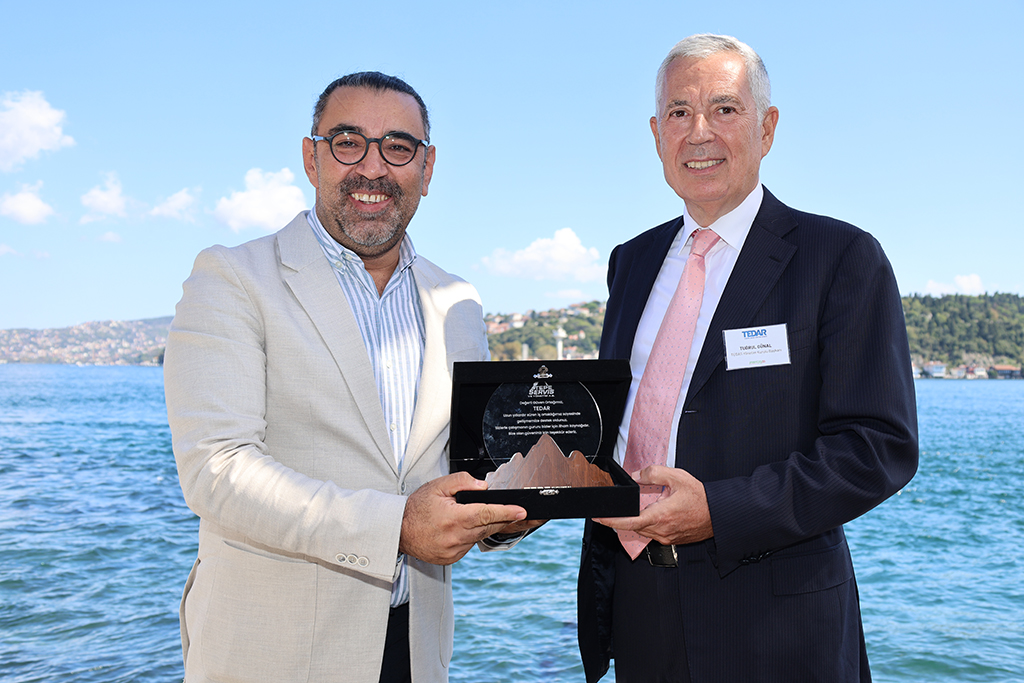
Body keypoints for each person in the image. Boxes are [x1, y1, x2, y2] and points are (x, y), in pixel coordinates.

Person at [164, 72, 531, 683]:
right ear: (312, 159)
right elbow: (216, 469)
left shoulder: (458, 301)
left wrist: (516, 506)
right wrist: (397, 528)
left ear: (427, 169)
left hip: (415, 652)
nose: (373, 167)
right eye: (348, 142)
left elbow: (460, 469)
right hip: (271, 657)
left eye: (398, 147)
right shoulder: (232, 278)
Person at [576, 35, 918, 682]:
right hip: (640, 611)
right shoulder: (632, 261)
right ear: (656, 134)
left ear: (767, 128)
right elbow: (616, 422)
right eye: (679, 112)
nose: (699, 132)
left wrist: (718, 510)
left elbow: (877, 447)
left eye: (724, 109)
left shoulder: (840, 257)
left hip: (778, 627)